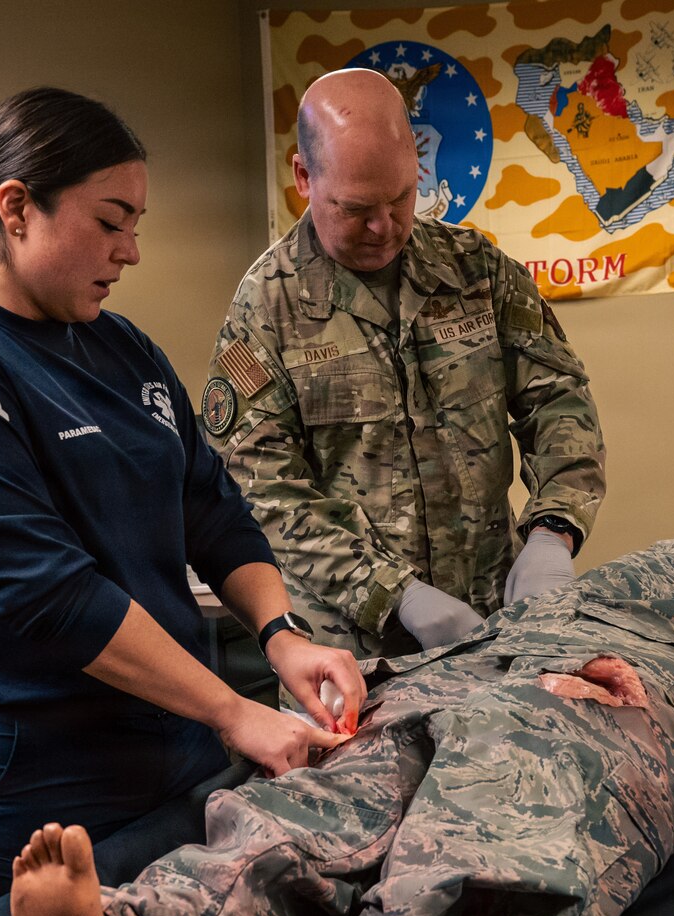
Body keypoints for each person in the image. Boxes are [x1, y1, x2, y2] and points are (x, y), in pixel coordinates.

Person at [1, 537, 674, 916]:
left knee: (525, 780)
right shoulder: (644, 567)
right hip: (476, 666)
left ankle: (434, 888)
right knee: (326, 794)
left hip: (613, 697)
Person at [0, 87, 366, 916]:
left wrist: (282, 637)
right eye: (111, 221)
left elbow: (209, 507)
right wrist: (233, 709)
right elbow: (51, 596)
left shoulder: (119, 345)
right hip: (34, 799)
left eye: (137, 222)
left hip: (168, 768)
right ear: (17, 207)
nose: (131, 250)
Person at [204, 68, 605, 660]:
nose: (384, 227)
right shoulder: (267, 305)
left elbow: (559, 401)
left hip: (494, 623)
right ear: (303, 176)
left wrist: (554, 529)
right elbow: (264, 490)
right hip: (352, 651)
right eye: (357, 208)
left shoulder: (478, 273)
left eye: (401, 198)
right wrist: (396, 594)